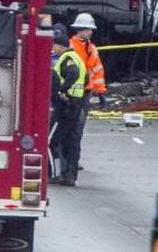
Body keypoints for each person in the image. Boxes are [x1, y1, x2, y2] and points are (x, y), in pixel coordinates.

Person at [68, 12, 106, 174]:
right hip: (71, 95)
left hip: (85, 93)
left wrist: (101, 91)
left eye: (91, 29)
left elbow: (97, 71)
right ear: (79, 30)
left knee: (78, 128)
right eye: (87, 29)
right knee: (72, 129)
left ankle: (72, 161)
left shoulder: (91, 48)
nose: (90, 32)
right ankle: (69, 162)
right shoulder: (71, 47)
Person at [50, 26, 87, 186]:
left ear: (60, 46)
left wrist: (61, 90)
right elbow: (85, 79)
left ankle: (62, 174)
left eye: (54, 46)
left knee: (56, 140)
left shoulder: (68, 58)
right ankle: (68, 175)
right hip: (76, 103)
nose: (52, 49)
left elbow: (74, 74)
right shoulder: (76, 56)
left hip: (68, 104)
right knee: (70, 140)